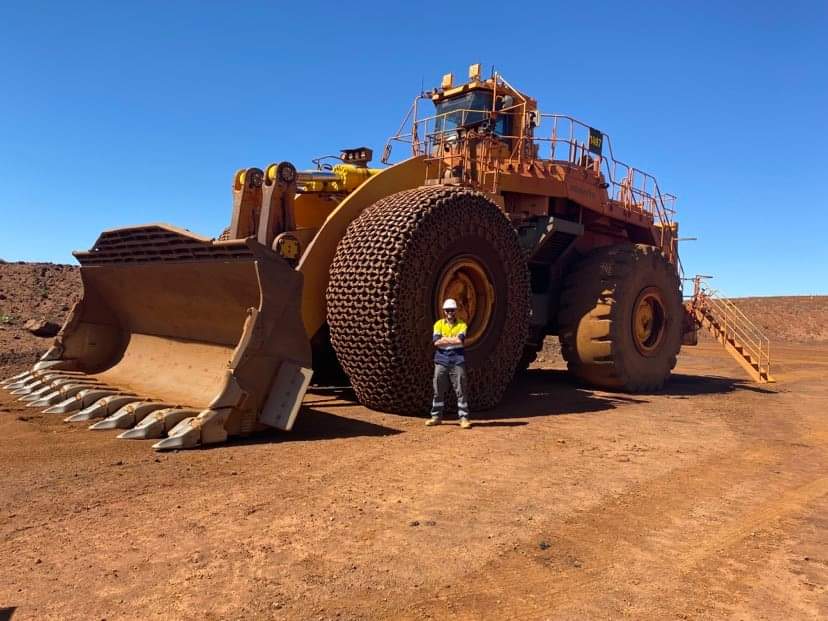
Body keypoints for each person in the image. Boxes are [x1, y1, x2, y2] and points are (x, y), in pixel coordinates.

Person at [427, 298, 471, 429]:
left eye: (452, 310)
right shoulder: (438, 324)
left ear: (456, 311)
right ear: (444, 311)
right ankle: (436, 417)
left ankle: (463, 418)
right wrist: (453, 340)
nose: (450, 312)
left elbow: (460, 341)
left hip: (457, 360)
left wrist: (445, 340)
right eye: (447, 310)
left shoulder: (462, 325)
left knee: (461, 389)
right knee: (438, 389)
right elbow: (436, 342)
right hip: (441, 360)